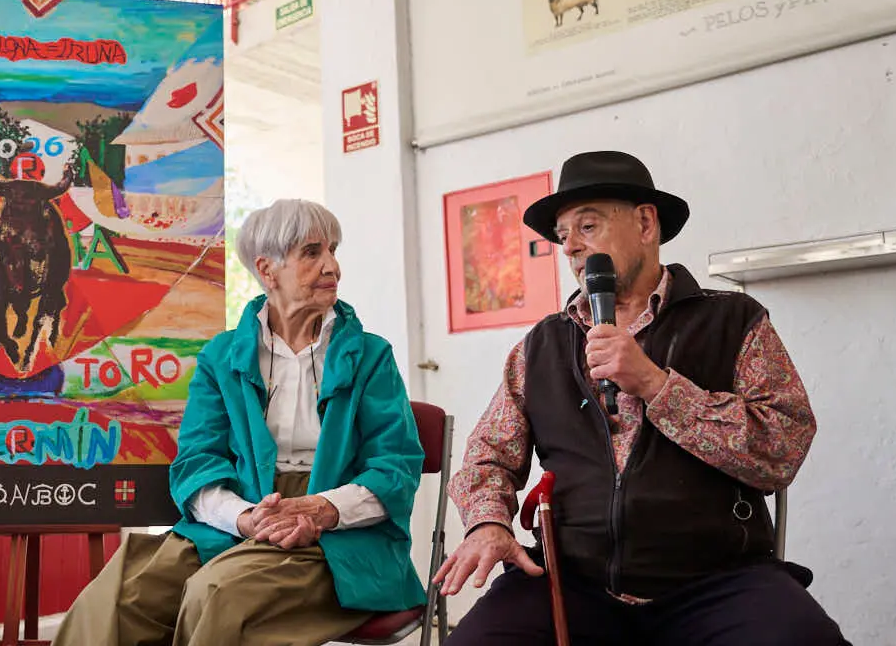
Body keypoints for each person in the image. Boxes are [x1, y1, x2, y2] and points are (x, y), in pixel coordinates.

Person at [434, 151, 850, 645]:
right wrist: (487, 522)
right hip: (574, 583)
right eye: (563, 237)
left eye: (587, 226)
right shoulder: (540, 346)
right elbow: (486, 457)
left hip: (717, 581)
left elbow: (782, 446)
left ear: (646, 223)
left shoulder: (733, 321)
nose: (571, 248)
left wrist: (656, 384)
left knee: (804, 641)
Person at [52, 199, 426, 646]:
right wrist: (245, 517)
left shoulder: (371, 355)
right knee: (117, 599)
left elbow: (396, 465)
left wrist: (322, 509)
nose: (332, 266)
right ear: (268, 270)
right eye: (312, 252)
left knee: (218, 593)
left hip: (339, 537)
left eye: (333, 249)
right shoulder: (222, 357)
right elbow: (197, 461)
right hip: (238, 519)